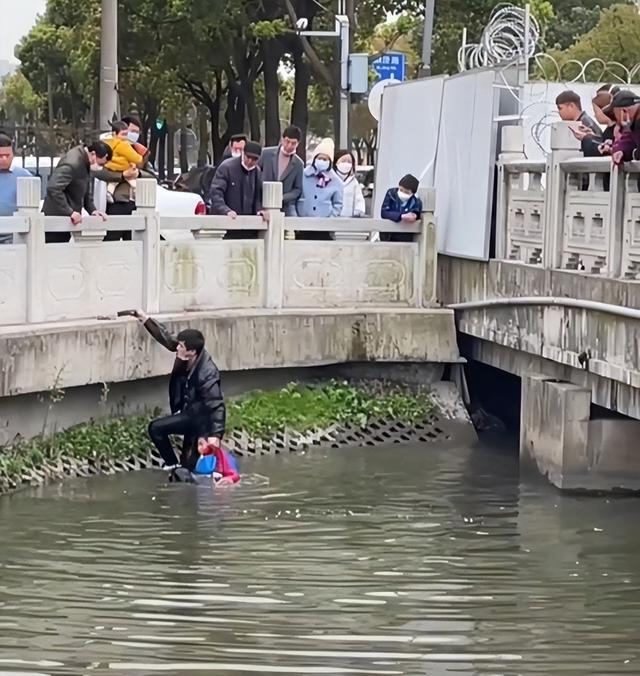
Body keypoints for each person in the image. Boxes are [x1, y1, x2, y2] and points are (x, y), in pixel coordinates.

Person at [134, 309, 226, 480]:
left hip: (200, 422)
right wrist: (145, 319)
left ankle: (195, 483)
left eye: (181, 346)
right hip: (187, 413)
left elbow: (216, 404)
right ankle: (173, 465)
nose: (177, 348)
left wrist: (216, 435)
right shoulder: (185, 354)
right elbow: (167, 339)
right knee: (157, 430)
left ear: (192, 351)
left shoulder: (207, 372)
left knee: (191, 467)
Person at [42, 141, 111, 243]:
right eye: (100, 163)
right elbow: (54, 188)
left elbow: (85, 188)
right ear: (93, 154)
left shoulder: (84, 160)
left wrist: (92, 210)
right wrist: (69, 211)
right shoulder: (73, 163)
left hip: (66, 218)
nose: (100, 167)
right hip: (56, 217)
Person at [208, 140, 267, 238]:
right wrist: (225, 210)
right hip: (228, 224)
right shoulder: (226, 167)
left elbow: (257, 197)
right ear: (243, 153)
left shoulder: (257, 172)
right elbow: (216, 193)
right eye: (248, 157)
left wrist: (259, 210)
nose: (250, 161)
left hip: (249, 227)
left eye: (254, 159)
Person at [259, 125, 304, 216]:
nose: (289, 145)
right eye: (287, 141)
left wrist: (282, 197)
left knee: (293, 224)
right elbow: (255, 174)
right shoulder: (265, 154)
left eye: (293, 143)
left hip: (285, 206)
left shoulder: (299, 164)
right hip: (261, 200)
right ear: (282, 139)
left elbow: (298, 189)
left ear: (298, 143)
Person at [0, 134, 32, 244]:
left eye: (7, 155)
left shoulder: (24, 177)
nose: (4, 159)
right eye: (0, 156)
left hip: (14, 238)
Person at [578, 85, 620, 157]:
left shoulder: (617, 130)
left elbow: (603, 149)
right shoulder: (609, 130)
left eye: (596, 111)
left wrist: (586, 139)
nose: (595, 115)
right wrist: (592, 136)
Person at [380, 173, 423, 242]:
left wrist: (414, 215)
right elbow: (384, 212)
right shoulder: (391, 193)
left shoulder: (415, 201)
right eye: (401, 190)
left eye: (406, 192)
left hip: (404, 235)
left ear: (412, 193)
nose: (403, 193)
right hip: (388, 234)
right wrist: (401, 216)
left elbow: (416, 213)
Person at [610, 90, 640, 166]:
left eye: (615, 115)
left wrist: (633, 154)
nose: (616, 120)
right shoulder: (634, 124)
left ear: (624, 111)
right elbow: (629, 141)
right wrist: (622, 152)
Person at [334, 149, 365, 217]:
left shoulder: (354, 182)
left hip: (349, 221)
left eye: (349, 162)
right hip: (332, 219)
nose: (346, 163)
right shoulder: (331, 180)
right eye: (343, 161)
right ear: (336, 162)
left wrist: (359, 211)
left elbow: (359, 198)